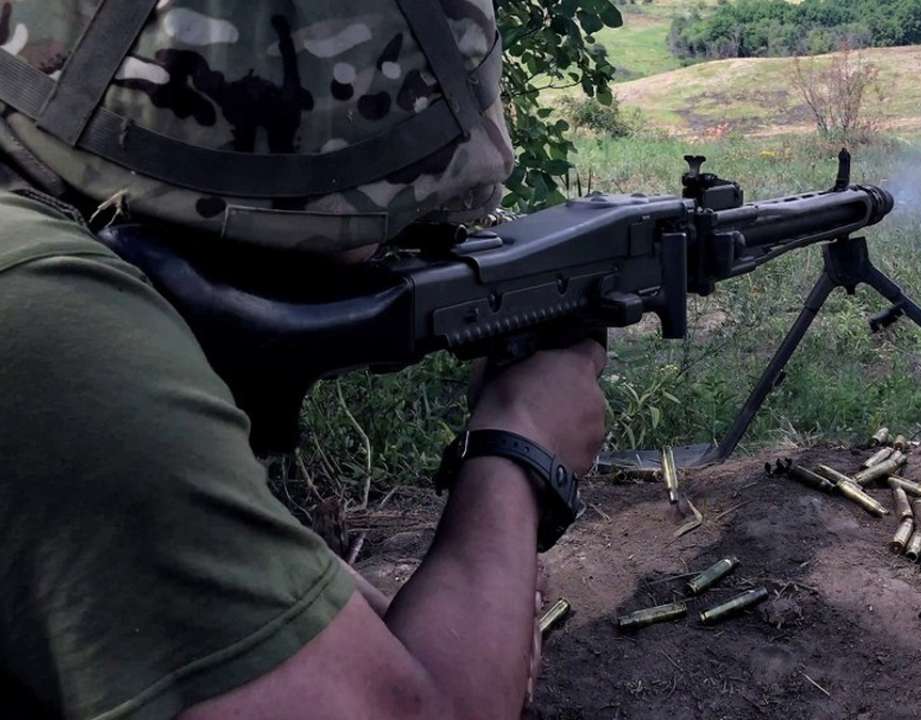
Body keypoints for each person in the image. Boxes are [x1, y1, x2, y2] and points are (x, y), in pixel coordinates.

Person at [0, 3, 607, 718]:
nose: (384, 253)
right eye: (383, 230)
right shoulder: (45, 321)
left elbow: (274, 631)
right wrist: (520, 448)